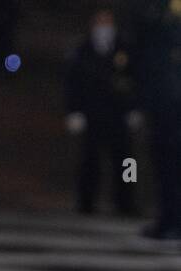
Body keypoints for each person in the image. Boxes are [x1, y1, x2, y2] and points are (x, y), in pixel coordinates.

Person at [65, 9, 141, 216]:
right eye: (100, 23)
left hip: (118, 113)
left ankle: (126, 201)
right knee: (90, 161)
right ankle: (86, 202)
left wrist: (134, 108)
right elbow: (73, 82)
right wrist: (74, 111)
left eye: (107, 23)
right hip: (93, 113)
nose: (104, 28)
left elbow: (134, 80)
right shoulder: (82, 50)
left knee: (125, 161)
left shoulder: (125, 49)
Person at [126, 0, 181, 239]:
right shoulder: (156, 13)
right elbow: (144, 53)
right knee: (164, 162)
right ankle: (168, 218)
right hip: (163, 102)